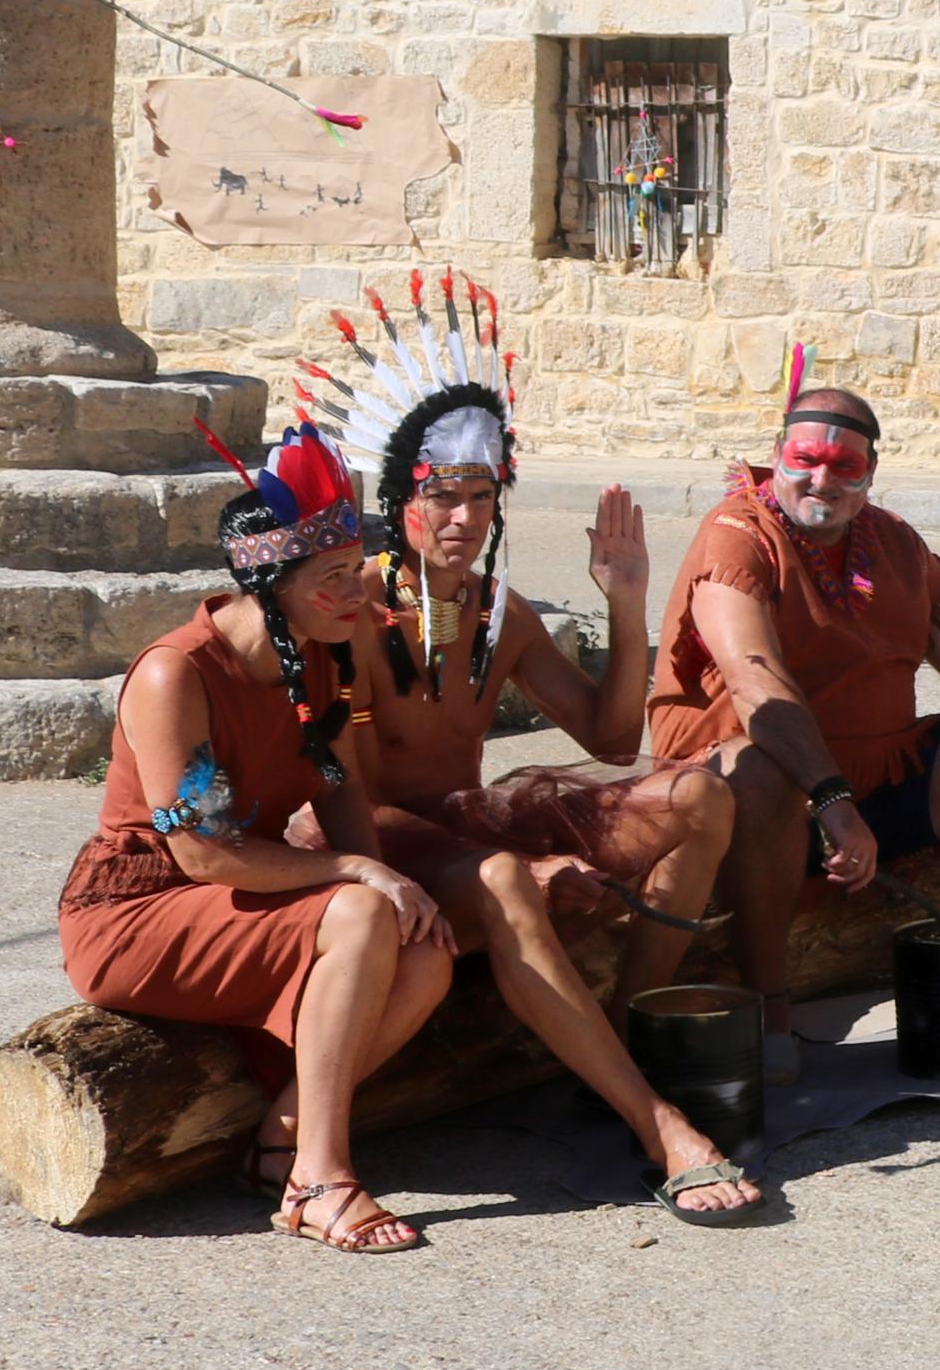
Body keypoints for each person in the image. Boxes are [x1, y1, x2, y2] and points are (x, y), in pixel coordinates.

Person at [286, 279, 756, 1222]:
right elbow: (350, 797)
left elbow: (614, 734)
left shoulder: (501, 611)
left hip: (469, 829)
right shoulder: (355, 610)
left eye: (480, 495)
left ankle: (620, 1027)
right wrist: (519, 860)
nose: (461, 518)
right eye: (440, 497)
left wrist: (626, 600)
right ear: (399, 498)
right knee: (506, 875)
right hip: (373, 845)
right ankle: (659, 1125)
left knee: (702, 798)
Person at [56, 424, 454, 1255]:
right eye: (334, 577)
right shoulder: (177, 674)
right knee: (358, 911)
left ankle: (284, 1132)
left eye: (360, 572)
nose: (360, 596)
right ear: (273, 582)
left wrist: (386, 876)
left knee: (424, 947)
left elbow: (342, 790)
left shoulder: (323, 660)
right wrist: (355, 874)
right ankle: (321, 1178)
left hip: (236, 894)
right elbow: (197, 852)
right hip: (139, 908)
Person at [650, 374, 940, 1081]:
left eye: (844, 466)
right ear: (777, 456)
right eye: (806, 459)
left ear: (871, 474)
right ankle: (768, 1007)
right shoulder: (735, 535)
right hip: (752, 789)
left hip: (873, 774)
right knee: (760, 769)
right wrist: (831, 800)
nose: (822, 478)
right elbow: (755, 677)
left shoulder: (895, 544)